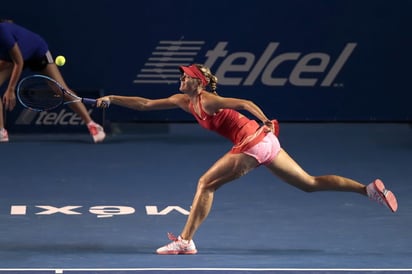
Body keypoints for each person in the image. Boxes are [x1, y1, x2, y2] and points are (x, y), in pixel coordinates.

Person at [96, 64, 398, 255]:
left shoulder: (207, 100)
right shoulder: (181, 101)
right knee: (309, 183)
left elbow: (244, 102)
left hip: (254, 142)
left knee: (205, 184)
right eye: (182, 75)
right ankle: (367, 189)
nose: (181, 79)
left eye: (186, 77)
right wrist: (112, 99)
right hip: (265, 143)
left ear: (198, 84)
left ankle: (185, 241)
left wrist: (266, 120)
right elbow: (145, 104)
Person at [0, 19, 105, 143]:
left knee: (61, 89)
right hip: (13, 58)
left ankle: (93, 125)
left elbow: (19, 62)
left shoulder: (3, 32)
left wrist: (11, 89)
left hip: (37, 52)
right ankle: (2, 132)